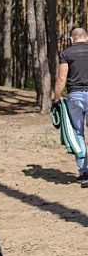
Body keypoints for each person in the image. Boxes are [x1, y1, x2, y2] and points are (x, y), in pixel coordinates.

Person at [53, 27, 88, 187]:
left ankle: (84, 172)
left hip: (74, 96)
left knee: (78, 134)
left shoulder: (66, 53)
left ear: (72, 39)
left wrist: (56, 98)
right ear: (86, 37)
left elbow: (61, 78)